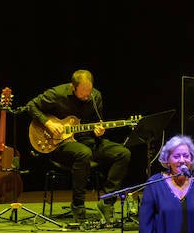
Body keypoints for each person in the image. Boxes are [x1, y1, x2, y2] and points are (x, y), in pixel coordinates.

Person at [21, 69, 131, 223]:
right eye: (83, 93)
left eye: (89, 92)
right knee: (83, 153)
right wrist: (48, 123)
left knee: (123, 153)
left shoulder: (95, 97)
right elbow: (31, 106)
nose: (87, 96)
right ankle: (78, 205)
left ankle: (107, 201)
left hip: (86, 140)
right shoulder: (57, 94)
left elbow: (95, 125)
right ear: (73, 87)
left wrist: (98, 131)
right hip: (59, 143)